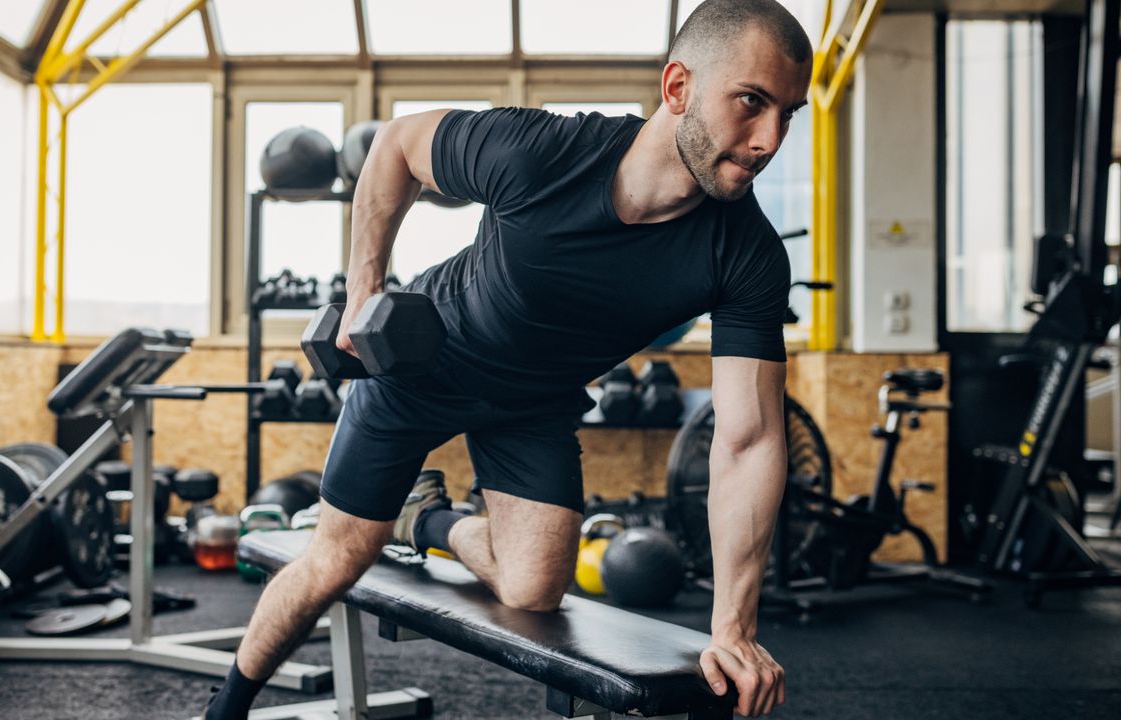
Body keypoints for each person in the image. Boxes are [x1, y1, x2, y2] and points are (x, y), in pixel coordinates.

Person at [205, 1, 811, 717]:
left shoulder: (746, 254)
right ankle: (228, 705)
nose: (770, 138)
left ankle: (426, 521)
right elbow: (396, 145)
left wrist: (733, 629)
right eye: (752, 102)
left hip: (536, 401)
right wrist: (364, 287)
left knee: (532, 591)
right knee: (336, 561)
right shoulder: (538, 151)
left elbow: (748, 438)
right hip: (425, 365)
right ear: (678, 88)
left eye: (788, 114)